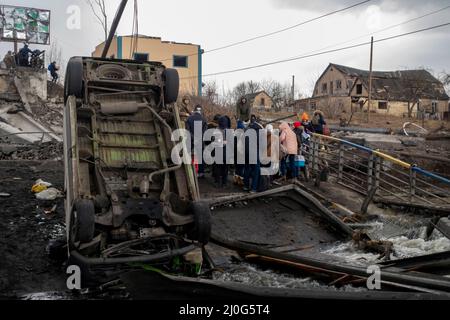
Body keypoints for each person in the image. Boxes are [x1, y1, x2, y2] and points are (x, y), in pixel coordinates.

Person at [185, 105, 208, 178]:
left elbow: (187, 131)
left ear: (194, 110)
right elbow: (205, 132)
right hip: (200, 142)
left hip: (191, 141)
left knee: (190, 156)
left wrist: (193, 138)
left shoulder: (189, 119)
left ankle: (190, 171)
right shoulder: (204, 120)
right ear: (201, 111)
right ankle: (201, 172)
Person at [243, 115, 262, 193]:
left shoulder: (247, 129)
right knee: (256, 170)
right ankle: (253, 188)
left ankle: (246, 186)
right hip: (254, 151)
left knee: (247, 168)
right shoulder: (259, 129)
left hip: (246, 151)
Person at [213, 115, 231, 188]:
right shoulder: (228, 131)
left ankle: (218, 182)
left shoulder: (215, 130)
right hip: (225, 152)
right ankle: (224, 183)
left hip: (218, 151)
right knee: (225, 169)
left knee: (218, 167)